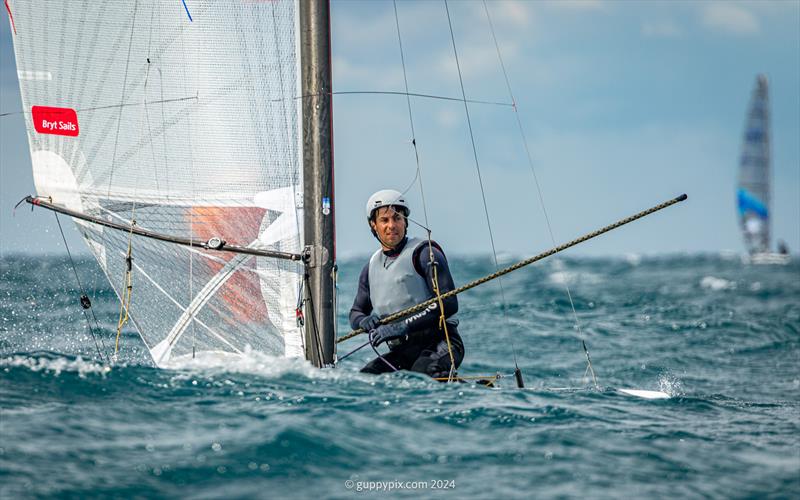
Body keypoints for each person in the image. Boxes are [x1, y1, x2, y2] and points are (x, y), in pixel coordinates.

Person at [349, 189, 464, 378]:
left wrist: (402, 326)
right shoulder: (370, 269)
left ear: (406, 222)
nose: (392, 225)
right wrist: (363, 321)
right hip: (404, 350)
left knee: (423, 374)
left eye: (397, 219)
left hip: (441, 342)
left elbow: (449, 303)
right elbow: (355, 313)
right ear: (373, 225)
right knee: (367, 377)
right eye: (384, 220)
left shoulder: (425, 253)